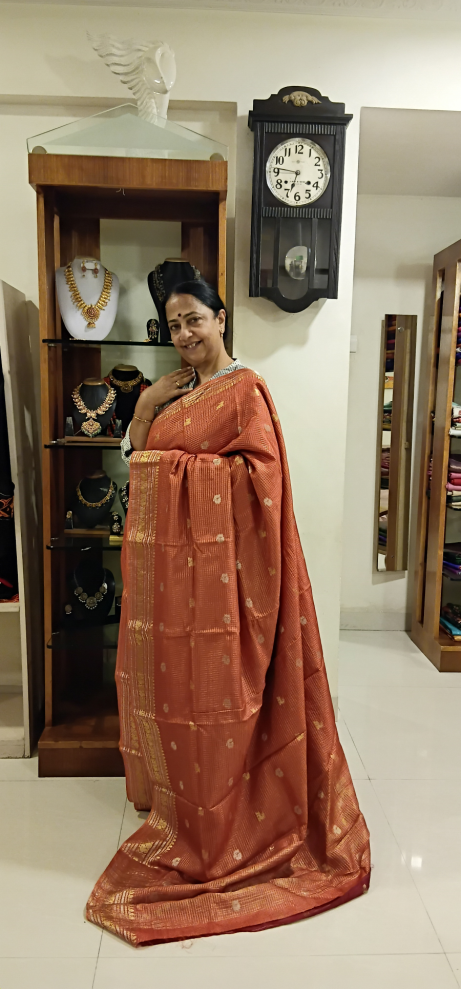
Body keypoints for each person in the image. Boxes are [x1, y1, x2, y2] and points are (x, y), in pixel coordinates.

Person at [87, 280, 370, 946]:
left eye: (194, 320)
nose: (185, 335)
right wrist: (146, 408)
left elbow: (261, 483)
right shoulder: (174, 393)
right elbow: (135, 460)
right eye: (173, 326)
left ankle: (230, 812)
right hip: (174, 585)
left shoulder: (245, 392)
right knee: (179, 694)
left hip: (226, 586)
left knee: (217, 696)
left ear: (219, 319)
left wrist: (183, 471)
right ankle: (184, 799)